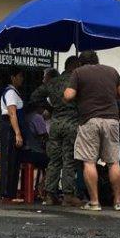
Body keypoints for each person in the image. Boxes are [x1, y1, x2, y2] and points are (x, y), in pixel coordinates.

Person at [64, 50, 120, 211]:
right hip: (112, 120)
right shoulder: (112, 71)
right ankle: (118, 202)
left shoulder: (79, 72)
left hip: (89, 120)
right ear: (97, 60)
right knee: (114, 162)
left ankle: (94, 202)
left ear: (80, 62)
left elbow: (69, 95)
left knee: (89, 161)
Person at [31, 56, 82, 206]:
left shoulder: (53, 82)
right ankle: (68, 195)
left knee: (54, 160)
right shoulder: (76, 82)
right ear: (75, 66)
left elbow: (35, 96)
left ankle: (49, 195)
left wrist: (50, 108)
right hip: (71, 124)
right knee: (69, 160)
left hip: (55, 124)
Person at [0, 66, 25, 202]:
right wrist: (17, 133)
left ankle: (10, 193)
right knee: (9, 160)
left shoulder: (13, 92)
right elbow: (12, 113)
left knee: (13, 161)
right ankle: (8, 194)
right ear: (13, 78)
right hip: (10, 127)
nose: (22, 79)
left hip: (10, 127)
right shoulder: (10, 93)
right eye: (20, 76)